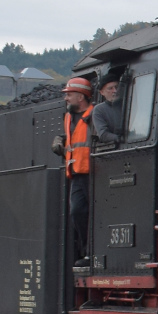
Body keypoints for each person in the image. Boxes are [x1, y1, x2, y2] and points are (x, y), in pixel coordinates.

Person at [51, 76, 94, 261]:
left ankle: (92, 252)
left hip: (93, 173)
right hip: (76, 172)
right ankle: (86, 250)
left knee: (92, 212)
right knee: (77, 211)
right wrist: (60, 140)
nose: (66, 98)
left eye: (69, 95)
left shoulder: (94, 114)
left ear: (81, 97)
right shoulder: (68, 117)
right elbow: (73, 137)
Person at [91, 74, 125, 147]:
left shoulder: (129, 104)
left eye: (117, 87)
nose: (115, 91)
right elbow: (103, 134)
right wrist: (121, 139)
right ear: (102, 92)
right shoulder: (99, 110)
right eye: (110, 88)